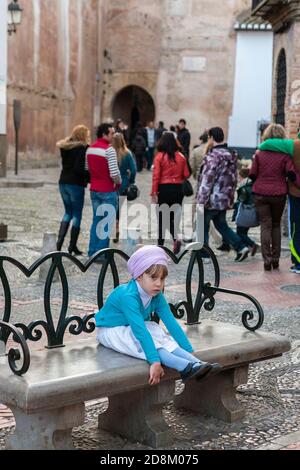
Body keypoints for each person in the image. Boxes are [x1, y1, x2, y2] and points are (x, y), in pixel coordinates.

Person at [95, 245, 221, 385]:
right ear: (139, 276)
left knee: (160, 334)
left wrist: (188, 350)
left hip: (131, 327)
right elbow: (140, 331)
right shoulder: (128, 296)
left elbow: (171, 323)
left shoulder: (156, 295)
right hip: (111, 330)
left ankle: (197, 364)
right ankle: (184, 367)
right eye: (154, 278)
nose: (159, 283)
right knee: (145, 337)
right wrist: (154, 361)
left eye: (162, 279)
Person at [249, 123, 300, 271]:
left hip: (260, 193)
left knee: (266, 225)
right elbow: (290, 173)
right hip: (278, 194)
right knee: (276, 224)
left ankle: (267, 259)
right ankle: (276, 259)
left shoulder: (259, 153)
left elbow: (252, 173)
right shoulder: (285, 155)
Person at [197, 127, 250, 261]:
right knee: (221, 224)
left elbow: (207, 180)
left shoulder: (213, 156)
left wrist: (201, 201)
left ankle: (204, 255)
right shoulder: (231, 154)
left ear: (211, 138)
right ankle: (241, 247)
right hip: (224, 199)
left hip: (212, 199)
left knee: (202, 225)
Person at [151, 132, 190, 254]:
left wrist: (153, 193)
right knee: (172, 217)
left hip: (164, 189)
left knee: (163, 218)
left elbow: (156, 176)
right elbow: (187, 174)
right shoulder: (181, 156)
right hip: (178, 190)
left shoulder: (160, 157)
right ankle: (176, 239)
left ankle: (161, 245)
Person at [86, 123, 121, 258]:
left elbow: (87, 168)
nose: (113, 136)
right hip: (107, 190)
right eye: (111, 133)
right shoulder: (109, 150)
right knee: (106, 223)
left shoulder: (89, 149)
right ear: (104, 134)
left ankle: (92, 251)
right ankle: (101, 254)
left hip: (94, 189)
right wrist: (118, 183)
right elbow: (114, 173)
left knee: (96, 220)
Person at [56, 124, 90, 255]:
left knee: (67, 213)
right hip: (75, 184)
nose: (88, 137)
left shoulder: (65, 147)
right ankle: (72, 246)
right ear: (82, 135)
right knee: (76, 215)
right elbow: (80, 168)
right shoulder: (83, 148)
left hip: (63, 182)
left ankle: (58, 244)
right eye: (86, 135)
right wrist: (88, 178)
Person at [112, 132, 137, 243]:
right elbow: (134, 169)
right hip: (123, 183)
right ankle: (118, 228)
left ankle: (112, 229)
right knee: (120, 208)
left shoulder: (109, 152)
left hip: (111, 182)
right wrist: (131, 180)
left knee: (111, 206)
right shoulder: (127, 153)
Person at [234, 167, 257, 256]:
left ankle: (251, 245)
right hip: (249, 213)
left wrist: (234, 205)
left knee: (239, 233)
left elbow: (241, 200)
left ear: (243, 177)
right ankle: (247, 248)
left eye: (239, 177)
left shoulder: (244, 187)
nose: (238, 179)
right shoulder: (252, 184)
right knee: (243, 232)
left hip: (244, 213)